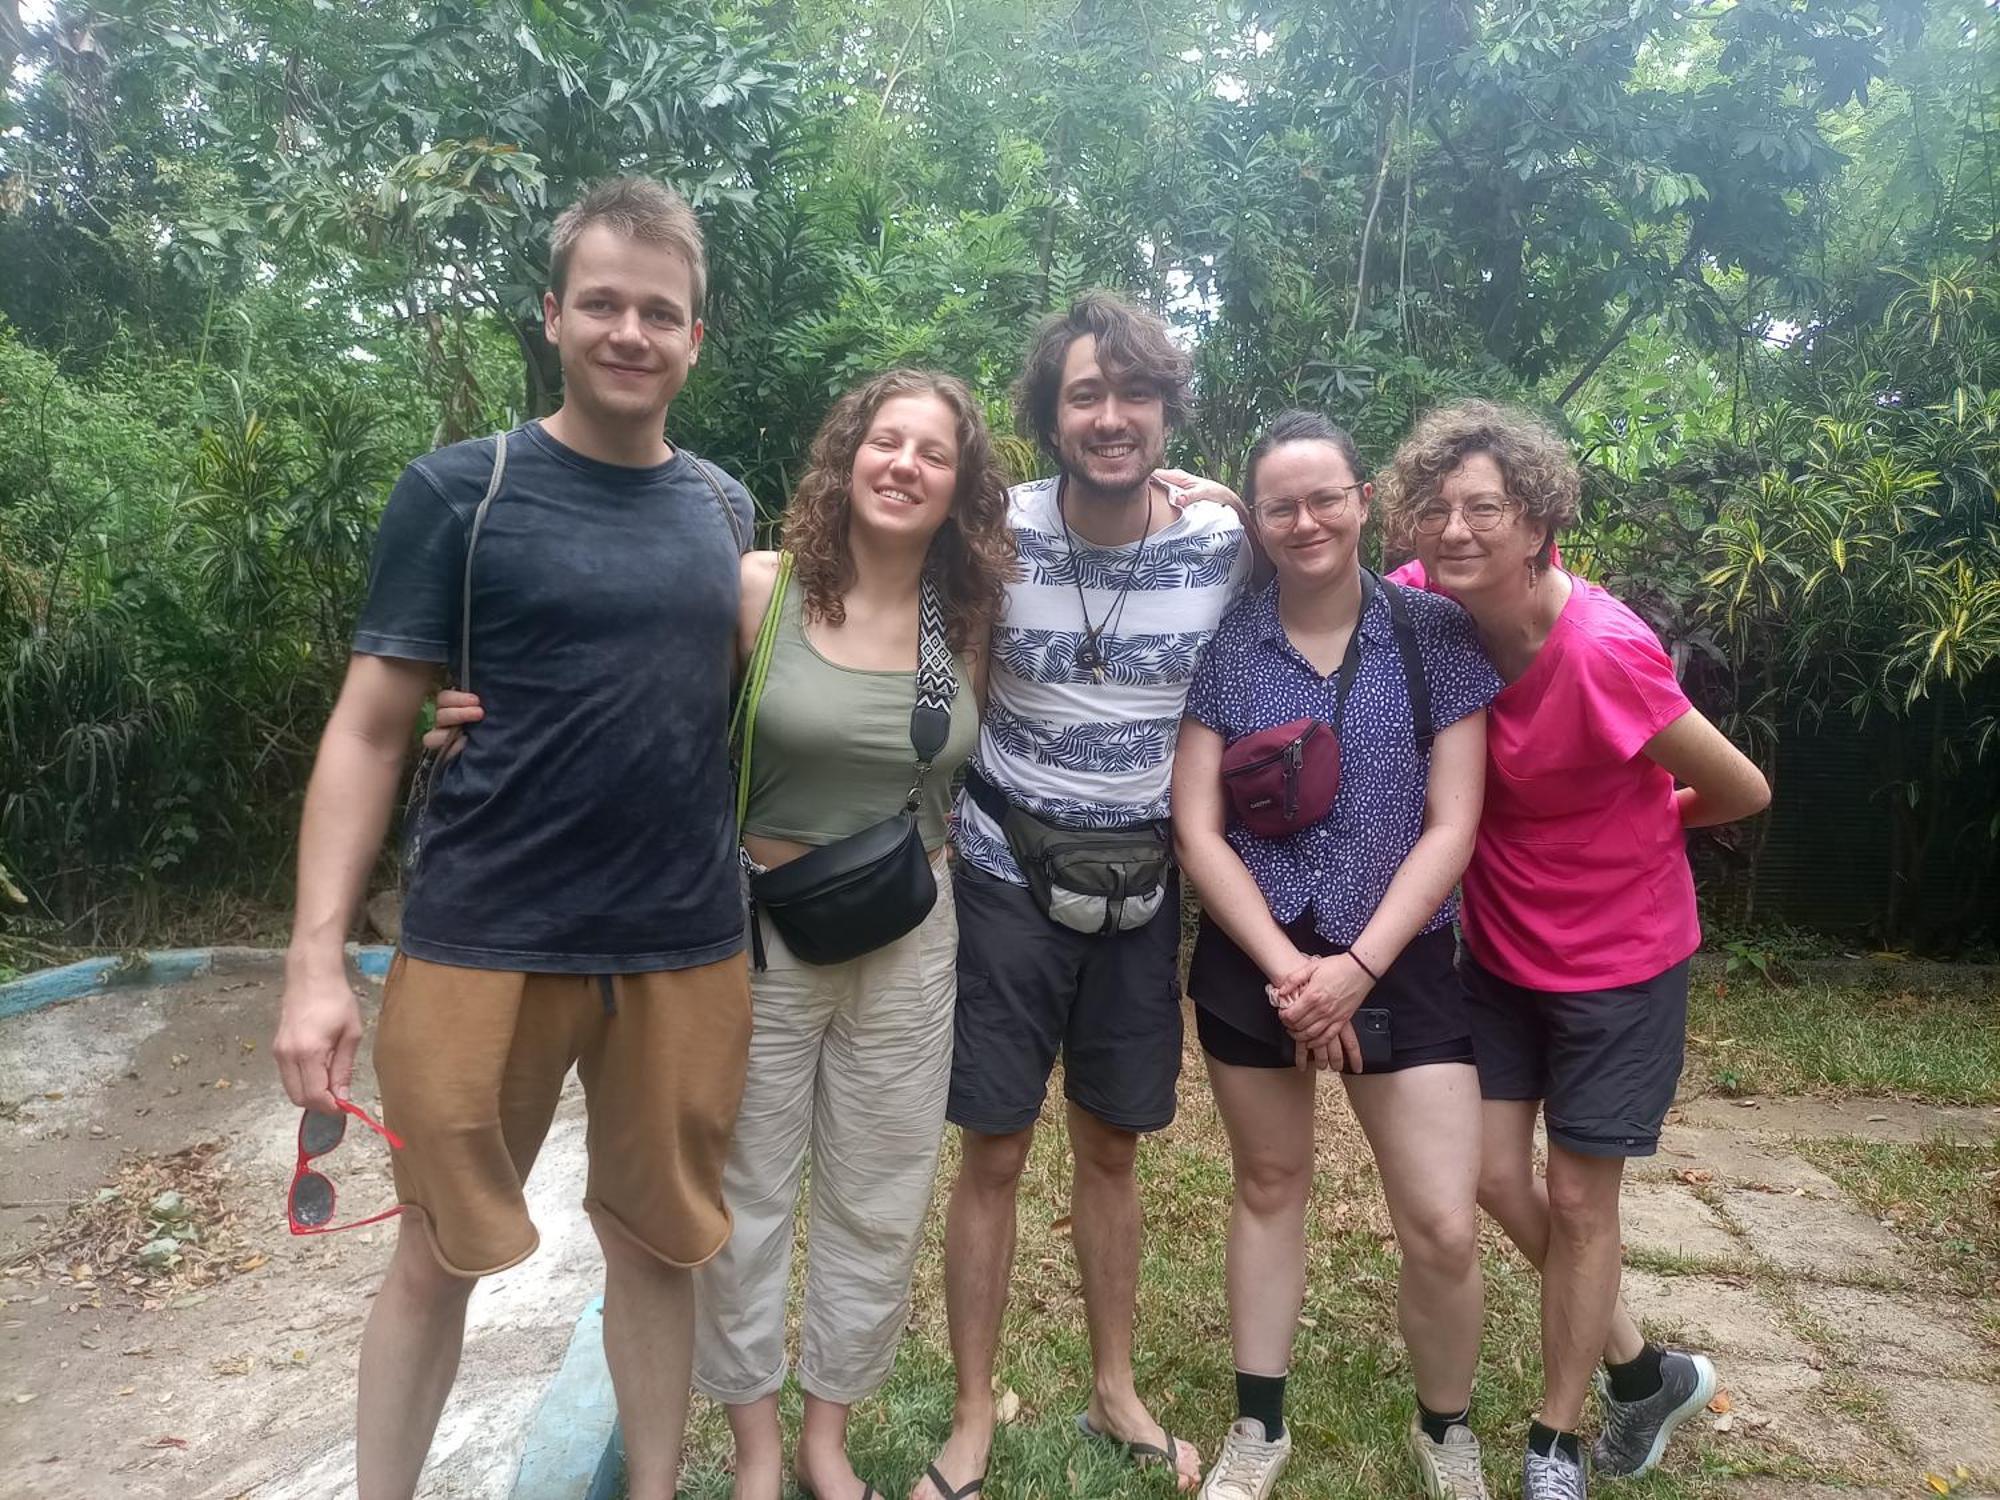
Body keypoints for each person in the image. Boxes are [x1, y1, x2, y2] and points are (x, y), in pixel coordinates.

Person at [428, 370, 1015, 1500]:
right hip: (758, 935)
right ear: (846, 460)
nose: (903, 465)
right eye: (883, 442)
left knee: (880, 1194)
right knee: (741, 1195)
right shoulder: (758, 591)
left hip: (910, 935)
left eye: (931, 454)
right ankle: (752, 1448)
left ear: (958, 486)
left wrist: (1210, 500)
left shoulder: (969, 618)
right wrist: (476, 715)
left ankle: (824, 1439)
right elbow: (630, 689)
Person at [270, 177, 757, 1500]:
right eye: (602, 302)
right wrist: (317, 964)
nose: (630, 332)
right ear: (553, 314)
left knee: (662, 1247)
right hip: (486, 933)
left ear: (695, 337)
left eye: (661, 311)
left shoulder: (725, 512)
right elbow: (370, 730)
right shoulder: (460, 494)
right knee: (435, 1251)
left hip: (683, 943)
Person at [1379, 400, 1771, 1500]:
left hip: (1619, 962)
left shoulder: (1603, 652)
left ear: (1538, 520)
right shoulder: (1424, 607)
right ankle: (1643, 1369)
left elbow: (1742, 789)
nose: (1455, 531)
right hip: (1500, 955)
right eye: (1436, 509)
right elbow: (1307, 580)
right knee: (1495, 1177)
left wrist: (1639, 826)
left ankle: (1557, 1441)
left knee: (1583, 1199)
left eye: (1484, 510)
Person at [917, 292, 1251, 1500]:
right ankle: (969, 1412)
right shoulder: (992, 532)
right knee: (993, 1151)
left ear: (1165, 407)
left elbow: (1340, 582)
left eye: (1133, 394)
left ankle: (1114, 1391)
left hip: (1144, 887)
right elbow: (855, 580)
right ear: (1048, 416)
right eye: (1084, 396)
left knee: (1111, 1149)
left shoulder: (1226, 539)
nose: (1111, 419)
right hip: (1007, 872)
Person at [1172, 412, 1502, 1500]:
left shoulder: (1434, 634)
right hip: (1252, 950)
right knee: (1268, 1184)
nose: (1304, 520)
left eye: (1324, 498)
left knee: (1443, 1221)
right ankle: (1256, 1428)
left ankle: (1443, 1430)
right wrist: (1284, 968)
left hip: (1395, 953)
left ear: (1363, 501)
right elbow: (1195, 827)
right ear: (1254, 519)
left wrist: (1354, 966)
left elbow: (1452, 824)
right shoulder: (1223, 644)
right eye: (1278, 504)